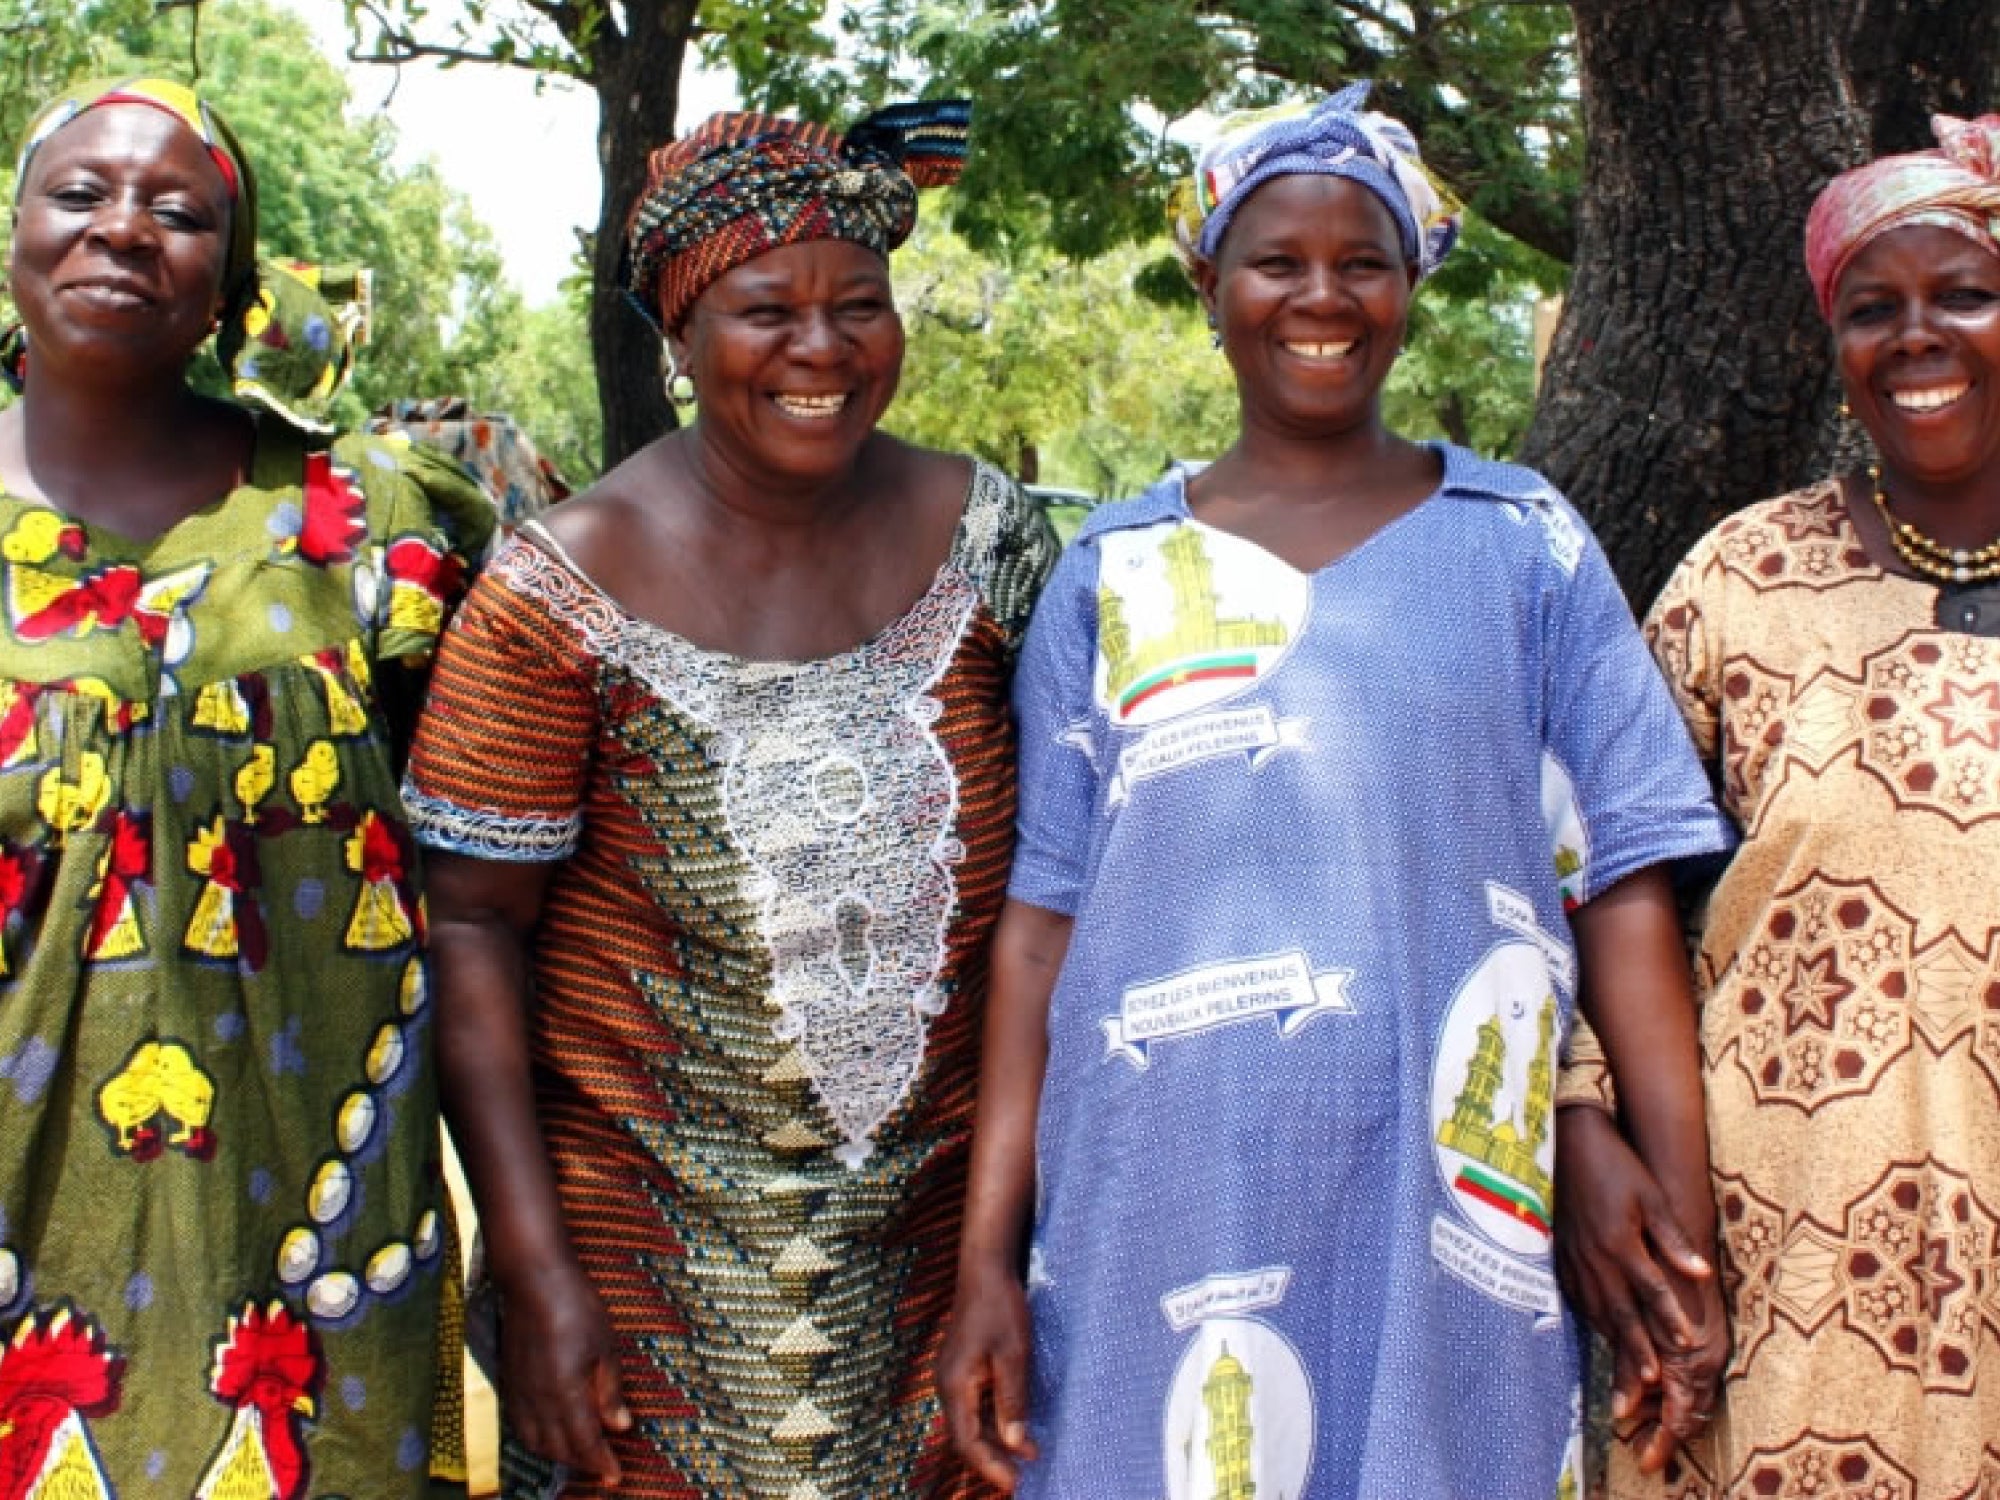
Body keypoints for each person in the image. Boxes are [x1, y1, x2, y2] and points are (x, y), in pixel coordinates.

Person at [935, 82, 1734, 1499]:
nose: (1323, 297)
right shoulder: (1109, 578)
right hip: (1159, 1205)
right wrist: (989, 1259)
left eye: (1362, 261)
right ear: (1210, 285)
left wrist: (1683, 1224)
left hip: (1445, 1220)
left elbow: (1619, 890)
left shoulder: (1524, 553)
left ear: (1414, 281)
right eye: (1278, 262)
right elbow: (1041, 936)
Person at [401, 101, 1058, 1500]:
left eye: (860, 307)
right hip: (637, 1297)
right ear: (680, 334)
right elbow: (469, 936)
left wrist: (1007, 1253)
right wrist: (531, 1270)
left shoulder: (991, 543)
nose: (821, 351)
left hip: (946, 1288)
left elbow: (1055, 902)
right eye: (767, 309)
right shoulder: (553, 595)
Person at [0, 78, 492, 1496]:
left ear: (233, 277)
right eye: (80, 193)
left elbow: (488, 888)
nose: (124, 231)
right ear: (17, 232)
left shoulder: (366, 524)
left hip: (311, 1256)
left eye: (180, 209)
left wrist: (539, 1227)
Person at [1556, 111, 2000, 1500]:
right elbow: (1570, 868)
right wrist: (1580, 1134)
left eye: (1966, 294)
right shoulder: (1744, 580)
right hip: (1776, 1258)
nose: (1918, 335)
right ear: (1836, 343)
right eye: (1875, 308)